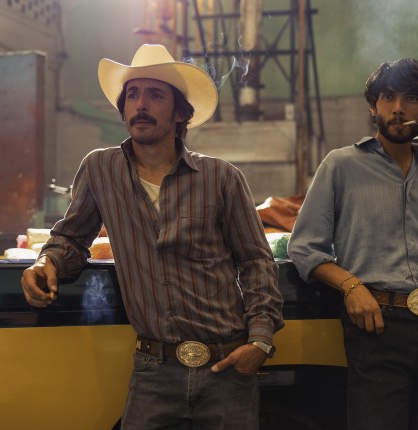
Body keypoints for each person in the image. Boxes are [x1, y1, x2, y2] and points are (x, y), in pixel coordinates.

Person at [21, 44, 284, 430]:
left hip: (227, 368)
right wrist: (47, 261)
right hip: (154, 371)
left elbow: (256, 261)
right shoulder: (100, 169)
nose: (141, 104)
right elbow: (71, 238)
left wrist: (260, 341)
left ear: (180, 113)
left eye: (156, 95)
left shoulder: (222, 178)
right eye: (133, 94)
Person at [287, 58, 418, 430]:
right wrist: (351, 287)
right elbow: (304, 247)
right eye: (388, 97)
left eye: (412, 98)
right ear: (373, 107)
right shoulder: (340, 165)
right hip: (378, 327)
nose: (398, 108)